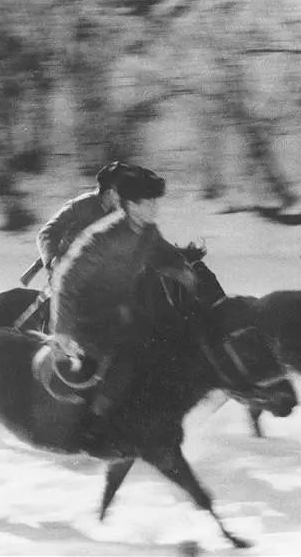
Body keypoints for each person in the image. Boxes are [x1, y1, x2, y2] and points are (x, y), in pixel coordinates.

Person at [50, 163, 198, 429]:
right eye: (148, 201)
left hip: (120, 308)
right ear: (130, 204)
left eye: (155, 200)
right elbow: (66, 280)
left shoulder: (147, 230)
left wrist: (182, 270)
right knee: (126, 357)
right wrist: (62, 331)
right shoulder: (104, 236)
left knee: (163, 340)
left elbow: (161, 253)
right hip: (87, 316)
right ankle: (96, 423)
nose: (155, 207)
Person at [37, 162, 125, 279]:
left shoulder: (119, 214)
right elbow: (47, 233)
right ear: (110, 192)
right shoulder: (81, 205)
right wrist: (53, 260)